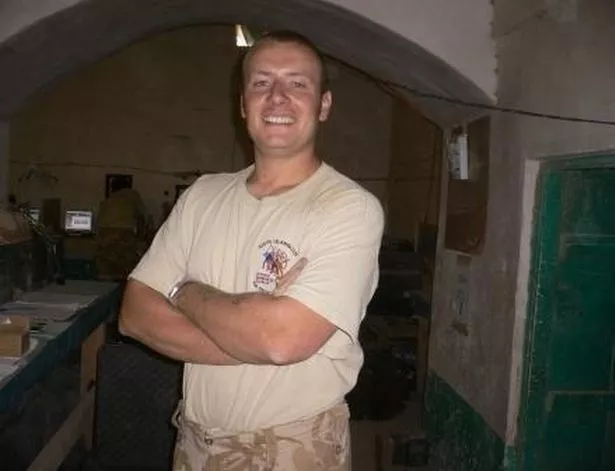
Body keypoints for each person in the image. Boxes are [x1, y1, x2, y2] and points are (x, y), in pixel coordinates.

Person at [119, 30, 384, 470]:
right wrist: (251, 332)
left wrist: (183, 291)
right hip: (194, 444)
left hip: (292, 448)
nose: (277, 96)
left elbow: (281, 340)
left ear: (323, 105)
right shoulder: (202, 196)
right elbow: (134, 315)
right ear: (243, 104)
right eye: (261, 83)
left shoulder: (348, 208)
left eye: (297, 83)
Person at [95, 176, 146, 280]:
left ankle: (105, 284)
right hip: (122, 231)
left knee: (106, 264)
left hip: (103, 232)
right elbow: (141, 217)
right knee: (126, 264)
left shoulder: (110, 199)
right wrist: (140, 238)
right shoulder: (132, 194)